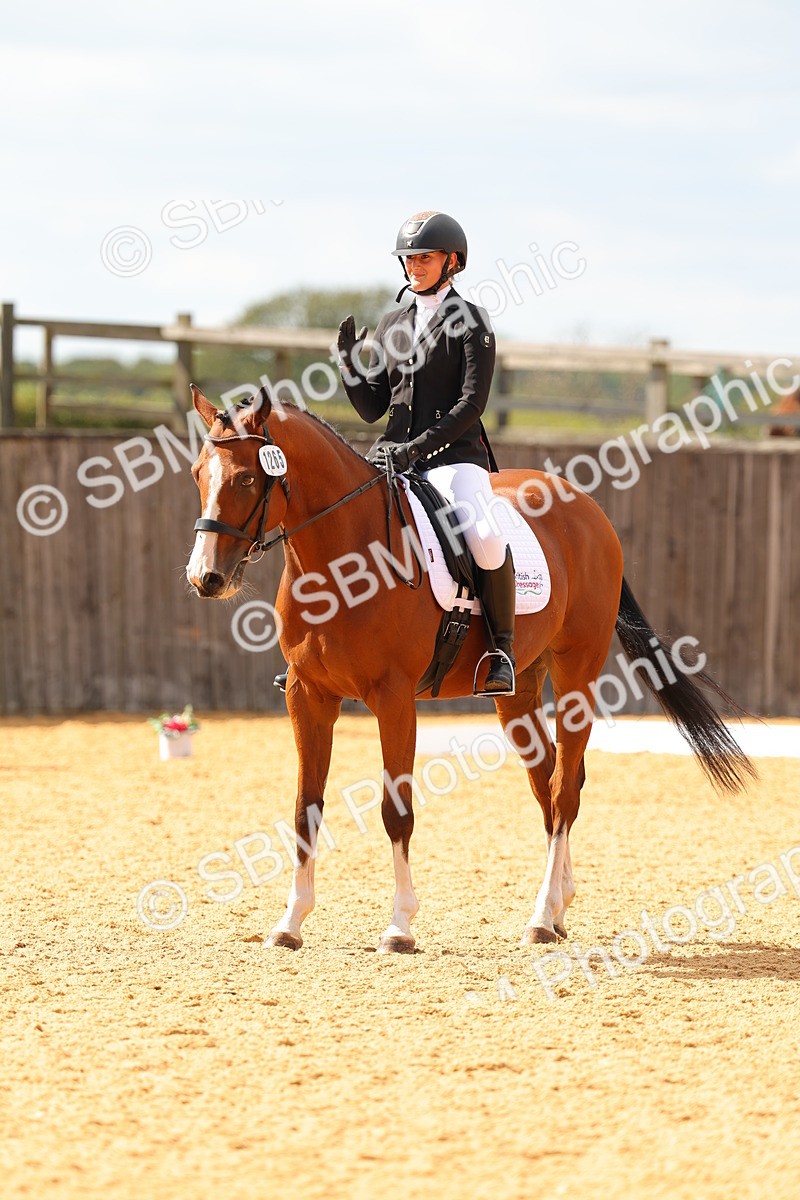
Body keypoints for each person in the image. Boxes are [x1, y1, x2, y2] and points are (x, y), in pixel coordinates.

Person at [336, 210, 515, 693]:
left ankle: (502, 649)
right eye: (409, 258)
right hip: (391, 454)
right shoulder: (393, 321)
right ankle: (320, 647)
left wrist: (417, 448)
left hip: (454, 458)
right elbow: (374, 408)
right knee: (339, 525)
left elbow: (472, 403)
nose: (415, 265)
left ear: (452, 261)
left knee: (485, 538)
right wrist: (349, 367)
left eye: (425, 257)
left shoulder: (471, 321)